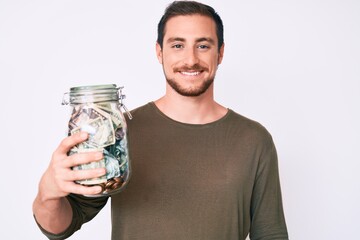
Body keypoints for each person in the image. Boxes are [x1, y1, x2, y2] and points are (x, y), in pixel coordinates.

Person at [33, 1, 288, 239]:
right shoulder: (119, 130)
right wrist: (48, 193)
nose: (190, 59)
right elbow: (63, 225)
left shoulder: (254, 140)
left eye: (203, 45)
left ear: (220, 53)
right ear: (159, 52)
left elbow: (271, 234)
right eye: (178, 45)